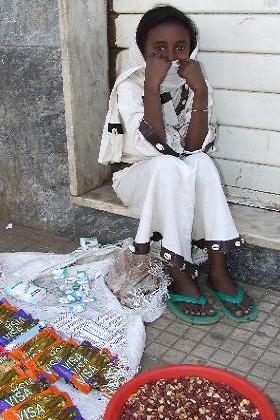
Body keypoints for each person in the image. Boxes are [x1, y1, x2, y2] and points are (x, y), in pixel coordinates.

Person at [99, 5, 258, 325]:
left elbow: (192, 146)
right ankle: (178, 269)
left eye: (179, 48)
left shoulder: (194, 80)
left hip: (178, 171)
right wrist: (151, 89)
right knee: (169, 166)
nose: (170, 57)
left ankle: (217, 268)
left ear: (191, 49)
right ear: (141, 49)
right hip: (138, 174)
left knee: (201, 161)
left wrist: (199, 92)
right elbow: (154, 148)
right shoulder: (130, 85)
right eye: (159, 48)